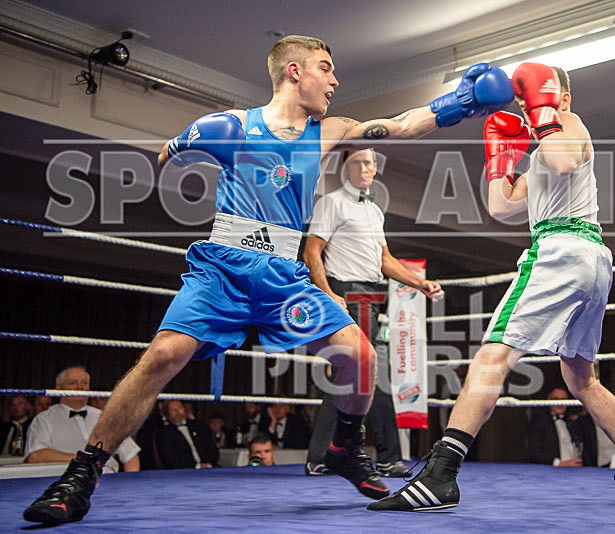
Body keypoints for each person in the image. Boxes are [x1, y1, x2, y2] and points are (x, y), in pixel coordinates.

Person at [23, 34, 513, 524]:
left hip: (285, 276)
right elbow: (170, 151)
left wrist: (460, 102)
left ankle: (344, 446)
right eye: (326, 67)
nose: (336, 79)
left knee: (361, 358)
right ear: (295, 71)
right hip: (224, 269)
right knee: (164, 356)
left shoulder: (330, 131)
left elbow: (401, 125)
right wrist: (175, 147)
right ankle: (80, 475)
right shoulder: (232, 126)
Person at [369, 62, 615, 512]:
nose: (526, 108)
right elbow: (501, 207)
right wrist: (499, 158)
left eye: (536, 97)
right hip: (593, 261)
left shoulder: (569, 124)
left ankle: (440, 475)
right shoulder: (540, 154)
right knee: (581, 378)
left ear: (557, 97)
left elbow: (566, 157)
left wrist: (546, 112)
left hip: (559, 250)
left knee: (493, 355)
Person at [304, 147, 444, 477]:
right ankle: (386, 456)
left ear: (376, 167)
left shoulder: (374, 212)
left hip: (372, 296)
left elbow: (385, 261)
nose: (365, 168)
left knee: (352, 376)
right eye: (358, 162)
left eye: (370, 162)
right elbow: (312, 253)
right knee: (372, 374)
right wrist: (329, 294)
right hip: (347, 294)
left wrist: (420, 283)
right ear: (345, 167)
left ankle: (322, 455)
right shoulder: (332, 202)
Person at [24, 367, 140, 474]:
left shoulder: (105, 418)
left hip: (108, 481)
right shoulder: (44, 418)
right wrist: (80, 458)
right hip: (64, 483)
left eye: (85, 383)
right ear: (58, 389)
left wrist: (129, 484)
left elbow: (130, 455)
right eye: (73, 383)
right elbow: (35, 456)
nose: (80, 387)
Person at [154, 400, 219, 469]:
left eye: (180, 408)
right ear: (167, 414)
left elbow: (212, 448)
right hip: (182, 472)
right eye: (173, 410)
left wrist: (210, 463)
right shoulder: (164, 433)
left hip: (208, 469)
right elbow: (170, 459)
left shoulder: (199, 426)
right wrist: (196, 466)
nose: (178, 412)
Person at [526, 388, 581, 466]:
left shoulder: (572, 421)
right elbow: (533, 452)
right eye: (556, 399)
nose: (559, 403)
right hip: (552, 472)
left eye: (563, 400)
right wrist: (559, 463)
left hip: (577, 470)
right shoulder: (539, 421)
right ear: (549, 401)